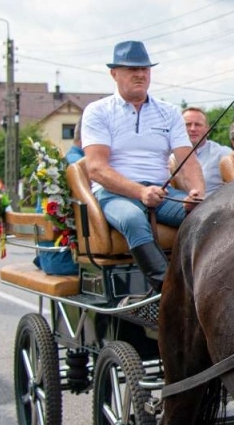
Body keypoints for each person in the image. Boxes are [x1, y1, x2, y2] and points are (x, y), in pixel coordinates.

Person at [79, 40, 205, 290]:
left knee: (206, 216)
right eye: (131, 69)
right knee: (134, 218)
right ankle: (168, 292)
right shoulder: (98, 111)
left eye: (144, 69)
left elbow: (187, 159)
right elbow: (96, 169)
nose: (139, 74)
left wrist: (197, 193)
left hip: (160, 192)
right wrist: (140, 192)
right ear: (114, 74)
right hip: (114, 195)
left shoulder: (168, 112)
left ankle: (205, 283)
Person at [179, 107, 231, 193]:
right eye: (187, 124)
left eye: (198, 125)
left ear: (208, 129)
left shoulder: (223, 154)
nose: (192, 129)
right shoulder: (170, 159)